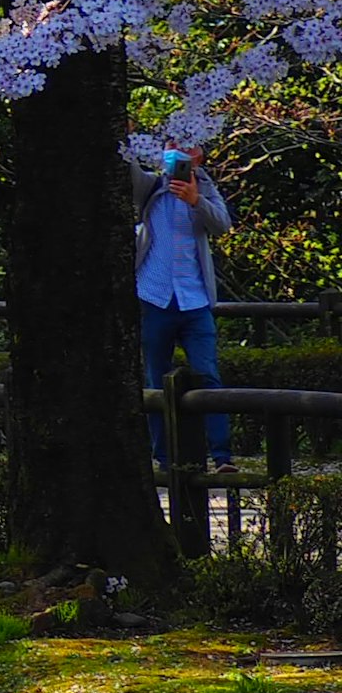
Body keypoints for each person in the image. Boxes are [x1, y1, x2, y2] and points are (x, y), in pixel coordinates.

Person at [136, 144, 236, 473]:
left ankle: (222, 457)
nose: (178, 152)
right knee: (155, 378)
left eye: (186, 146)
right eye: (171, 146)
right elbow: (123, 169)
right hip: (154, 297)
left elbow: (222, 224)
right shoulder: (150, 186)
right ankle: (163, 458)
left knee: (209, 374)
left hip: (195, 301)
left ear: (199, 157)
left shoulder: (206, 188)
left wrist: (196, 200)